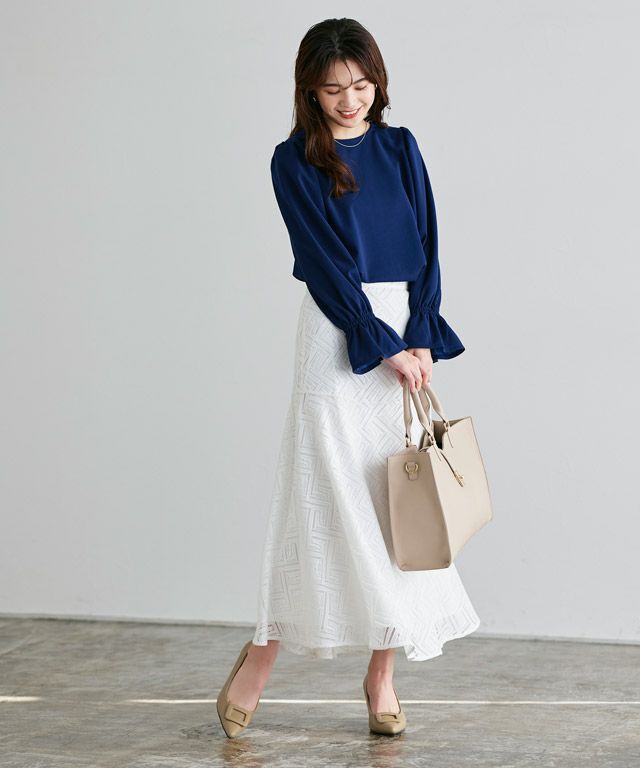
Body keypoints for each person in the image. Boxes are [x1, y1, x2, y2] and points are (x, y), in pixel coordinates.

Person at [216, 17, 480, 738]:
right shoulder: (292, 161)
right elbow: (322, 264)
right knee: (320, 498)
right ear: (310, 90)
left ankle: (382, 675)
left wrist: (420, 333)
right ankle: (259, 661)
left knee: (398, 501)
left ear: (377, 84)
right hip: (340, 334)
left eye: (361, 85)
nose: (350, 100)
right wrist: (382, 343)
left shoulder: (400, 147)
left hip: (404, 332)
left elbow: (427, 245)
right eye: (334, 88)